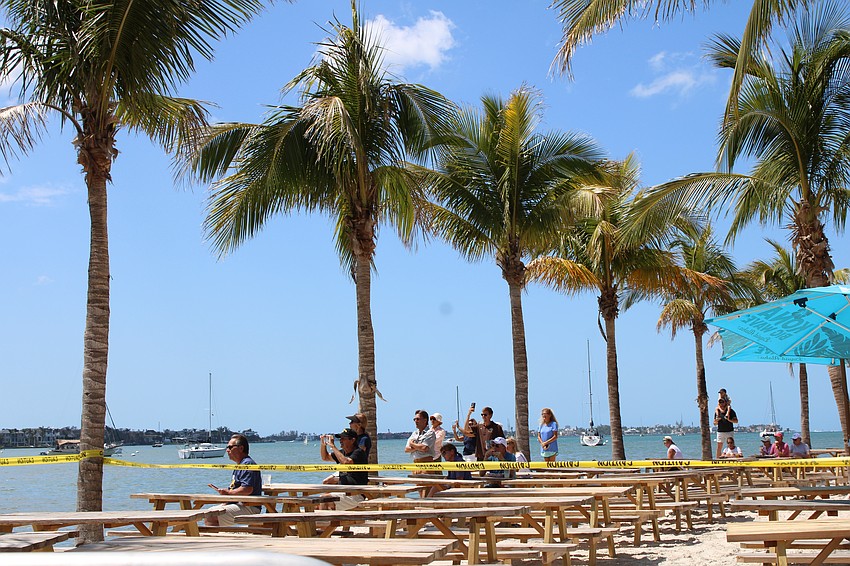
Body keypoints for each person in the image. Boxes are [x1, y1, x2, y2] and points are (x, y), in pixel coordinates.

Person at [206, 434, 262, 526]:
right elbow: (236, 489)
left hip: (249, 506)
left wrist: (228, 493)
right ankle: (218, 538)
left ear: (241, 448)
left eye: (230, 447)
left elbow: (247, 489)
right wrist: (226, 498)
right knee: (208, 513)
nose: (227, 450)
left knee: (211, 516)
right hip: (239, 504)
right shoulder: (239, 465)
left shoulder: (247, 464)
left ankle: (215, 538)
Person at [319, 427, 368, 510]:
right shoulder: (342, 453)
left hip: (355, 494)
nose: (340, 441)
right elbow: (325, 457)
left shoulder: (358, 452)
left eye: (343, 439)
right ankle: (325, 522)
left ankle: (321, 522)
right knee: (317, 502)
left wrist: (333, 447)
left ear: (352, 440)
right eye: (340, 438)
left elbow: (346, 462)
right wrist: (323, 445)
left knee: (325, 499)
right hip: (342, 492)